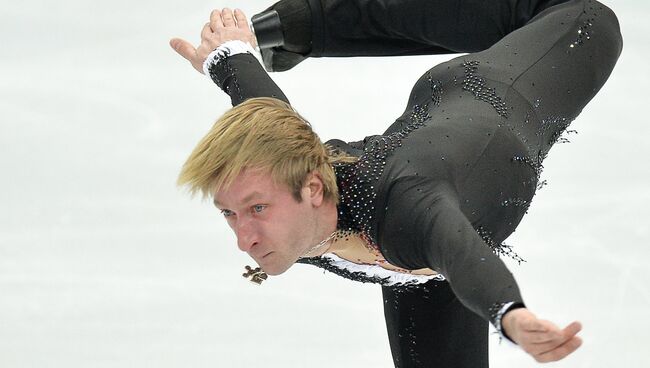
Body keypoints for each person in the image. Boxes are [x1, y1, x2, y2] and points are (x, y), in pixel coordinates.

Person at [169, 0, 622, 366]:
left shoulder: (408, 204)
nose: (243, 240)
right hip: (426, 272)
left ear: (311, 189)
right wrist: (231, 57)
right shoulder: (288, 175)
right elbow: (269, 117)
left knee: (587, 17)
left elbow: (462, 255)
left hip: (494, 89)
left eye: (257, 210)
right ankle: (297, 25)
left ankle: (308, 22)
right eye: (229, 214)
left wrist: (511, 317)